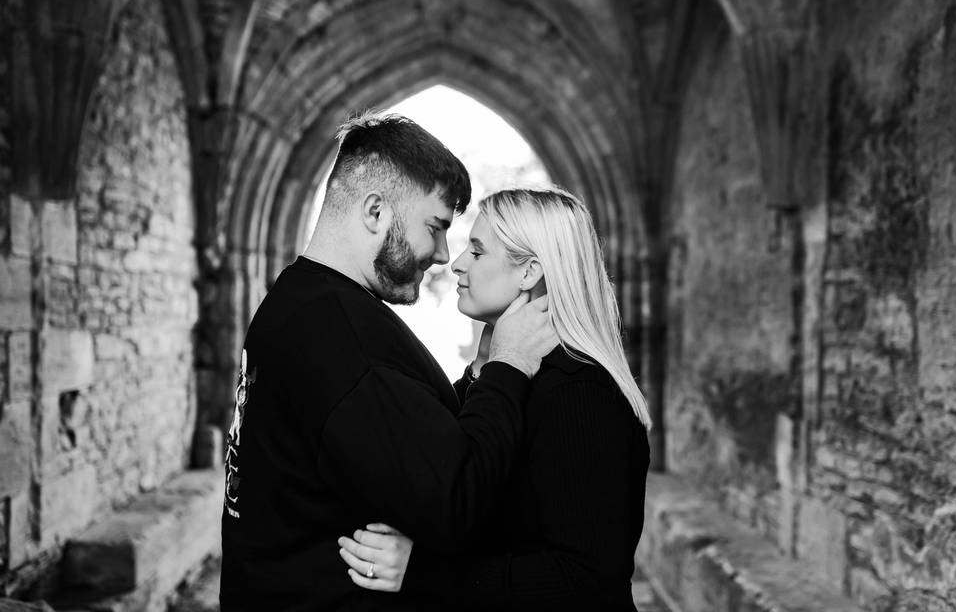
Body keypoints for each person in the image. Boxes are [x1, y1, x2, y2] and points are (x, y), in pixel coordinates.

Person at [219, 114, 558, 612]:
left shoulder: (302, 303)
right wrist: (510, 364)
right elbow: (457, 501)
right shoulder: (340, 335)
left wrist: (481, 373)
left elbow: (402, 441)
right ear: (376, 211)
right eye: (436, 226)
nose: (444, 254)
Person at [337, 187, 652, 611]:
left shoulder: (581, 391)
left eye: (478, 252)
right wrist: (491, 365)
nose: (458, 264)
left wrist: (422, 572)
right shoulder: (503, 374)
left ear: (530, 272)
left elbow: (587, 577)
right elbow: (455, 469)